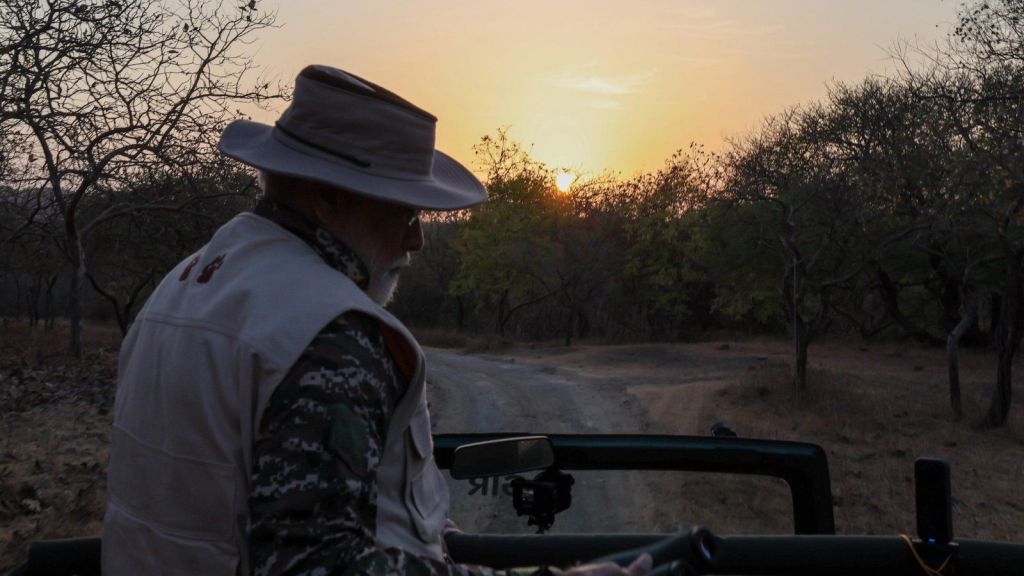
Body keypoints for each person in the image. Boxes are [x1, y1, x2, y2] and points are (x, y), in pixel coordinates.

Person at [102, 64, 651, 576]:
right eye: (404, 210)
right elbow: (320, 564)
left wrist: (420, 527)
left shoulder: (183, 285)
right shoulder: (331, 332)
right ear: (327, 197)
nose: (416, 239)